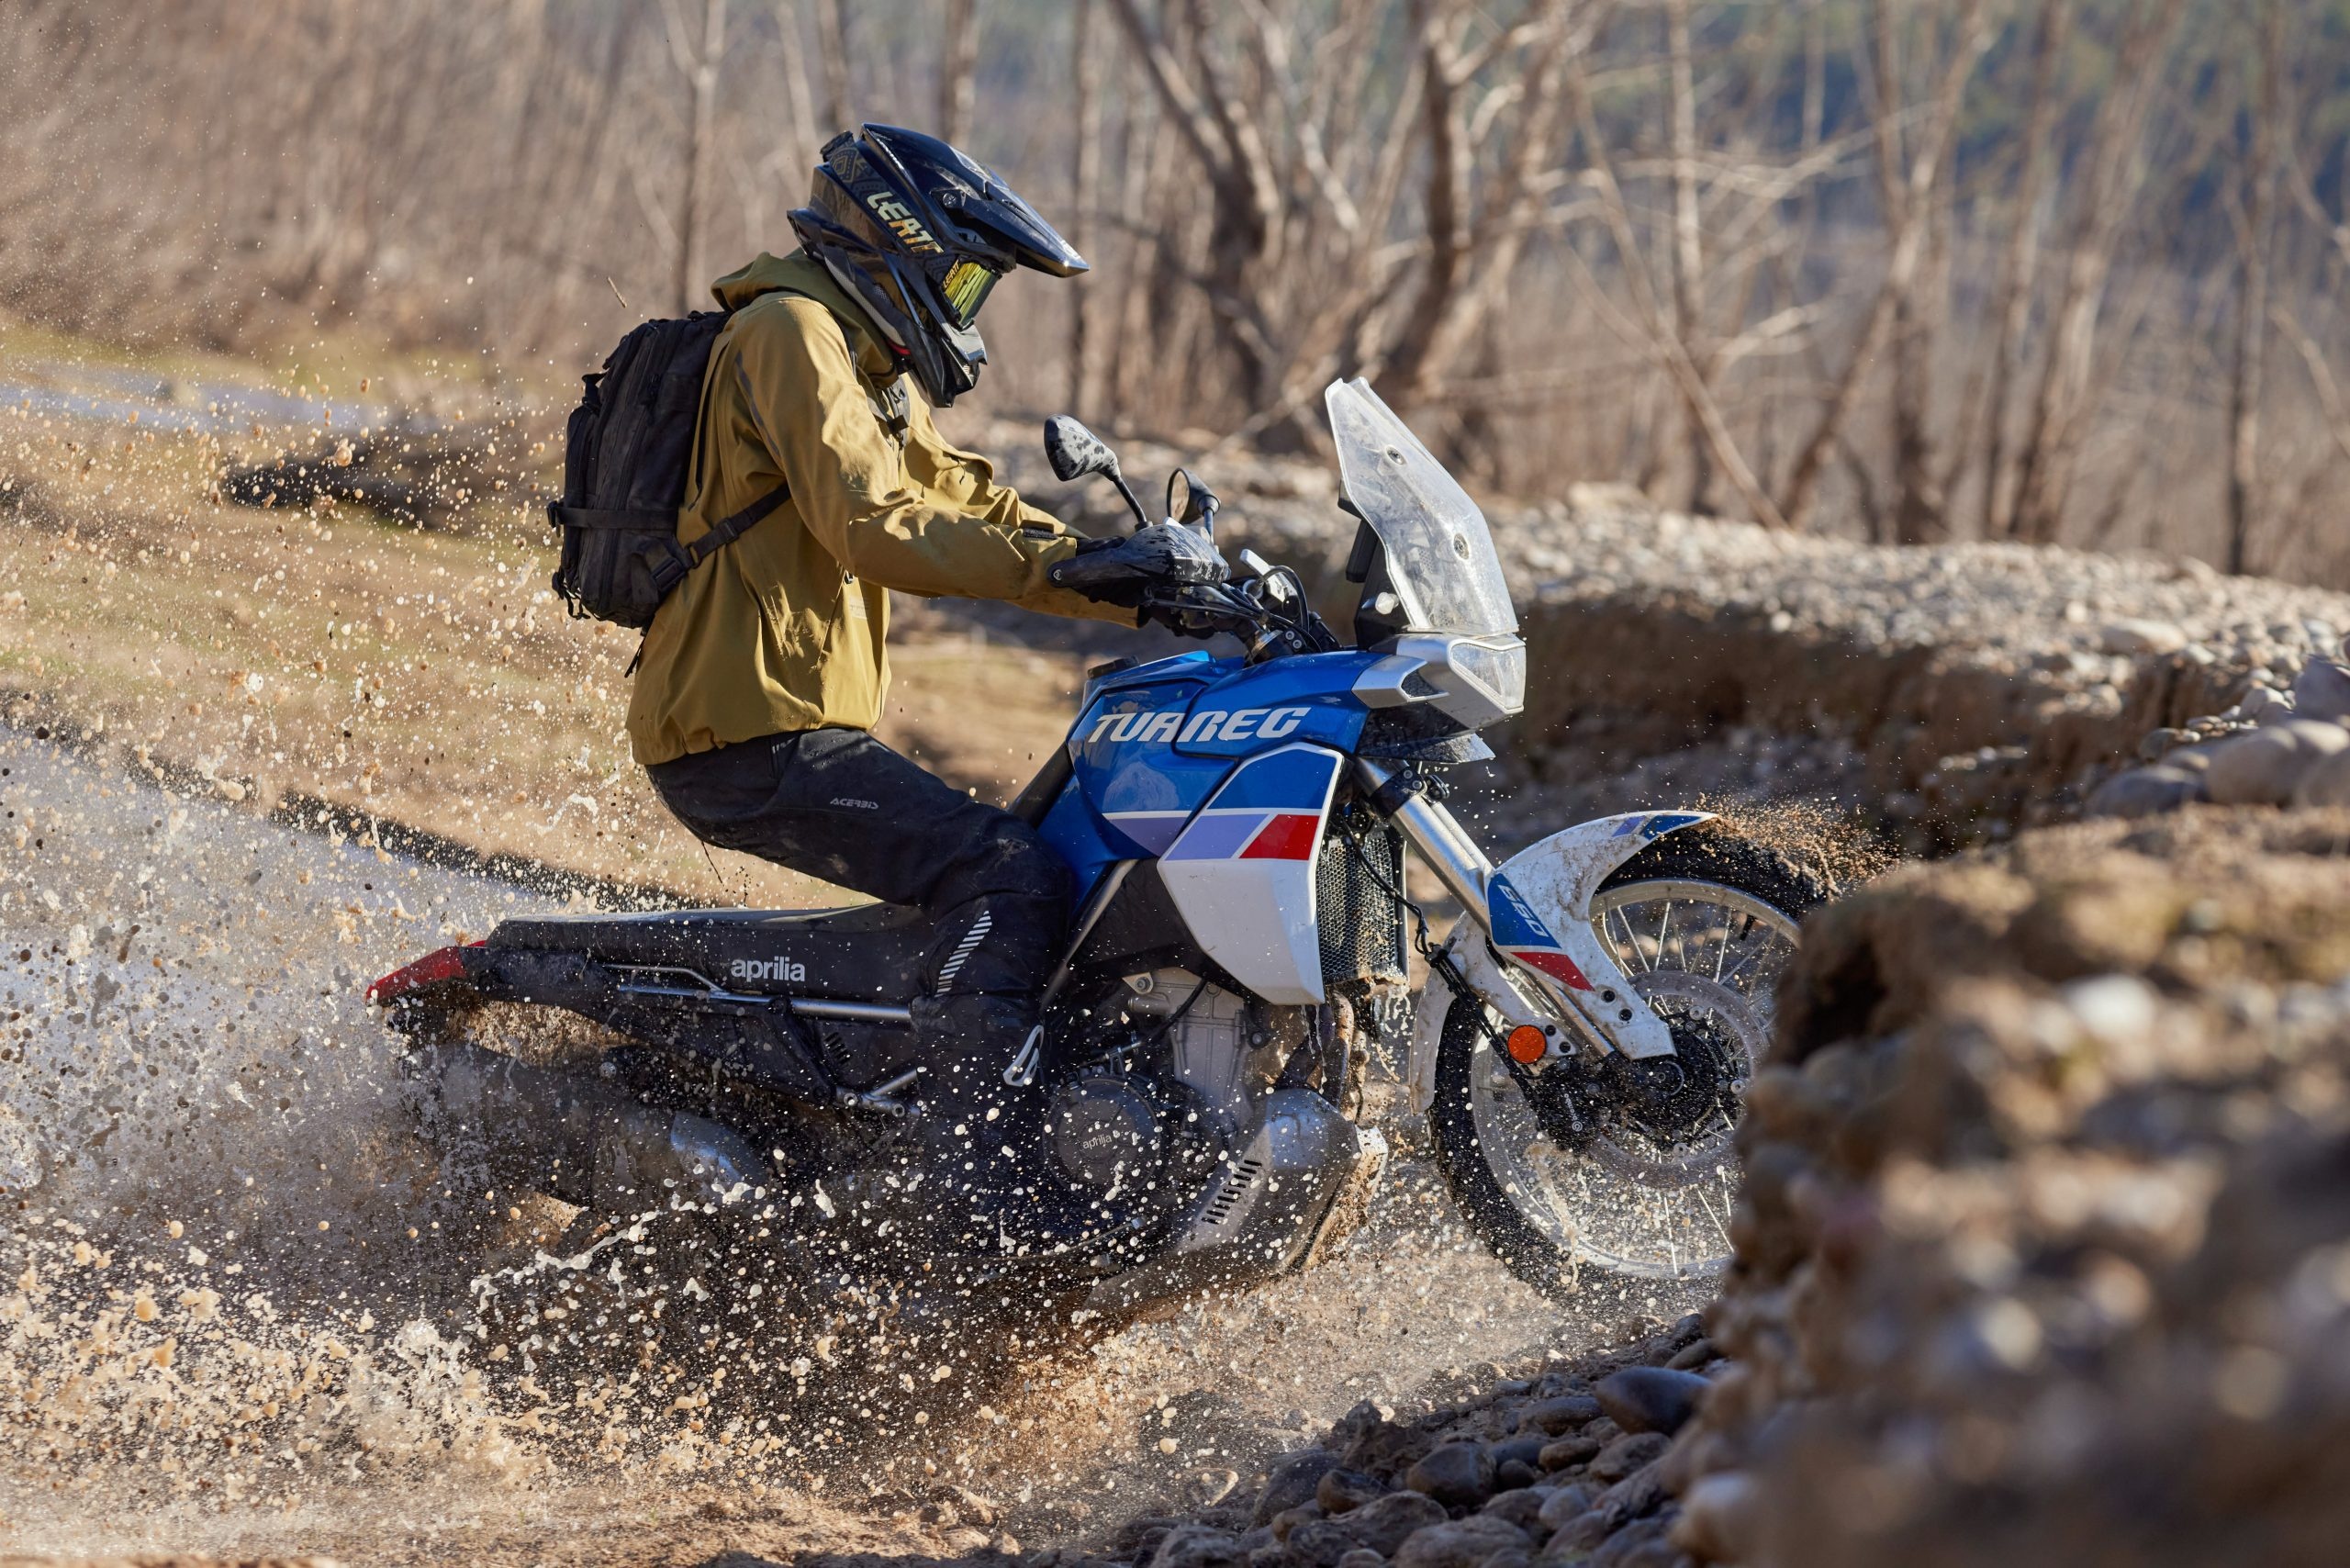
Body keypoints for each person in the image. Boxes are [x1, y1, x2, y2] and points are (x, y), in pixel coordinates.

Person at [625, 125, 1220, 1253]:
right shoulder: (788, 332)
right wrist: (1072, 572)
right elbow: (874, 522)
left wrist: (1148, 583)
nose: (967, 304)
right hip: (738, 730)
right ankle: (980, 1197)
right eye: (962, 274)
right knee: (1003, 875)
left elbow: (976, 504)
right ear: (894, 242)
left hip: (784, 719)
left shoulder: (864, 364)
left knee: (1057, 855)